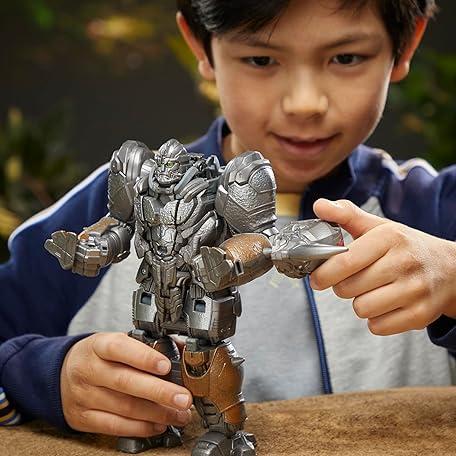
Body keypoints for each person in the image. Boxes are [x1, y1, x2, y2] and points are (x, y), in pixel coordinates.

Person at [1, 0, 455, 451]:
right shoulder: (114, 200)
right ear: (200, 45)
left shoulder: (435, 213)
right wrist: (45, 375)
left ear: (404, 45)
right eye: (260, 59)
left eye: (346, 57)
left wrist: (451, 279)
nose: (304, 103)